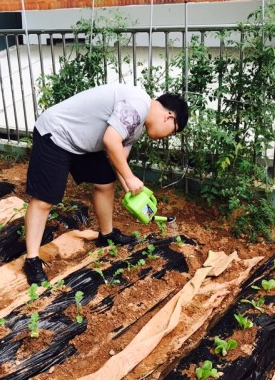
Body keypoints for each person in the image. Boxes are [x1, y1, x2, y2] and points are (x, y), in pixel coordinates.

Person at [23, 83, 189, 285]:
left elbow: (117, 158)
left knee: (105, 182)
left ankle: (106, 235)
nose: (168, 137)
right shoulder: (138, 104)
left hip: (80, 143)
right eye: (173, 131)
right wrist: (129, 178)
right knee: (44, 200)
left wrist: (131, 186)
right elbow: (111, 140)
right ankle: (31, 260)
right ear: (169, 117)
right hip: (56, 134)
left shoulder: (137, 126)